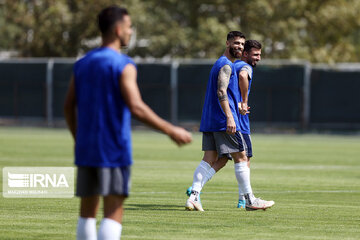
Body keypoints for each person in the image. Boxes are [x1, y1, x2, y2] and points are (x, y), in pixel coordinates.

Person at [64, 6, 192, 240]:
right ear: (117, 29)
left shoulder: (82, 63)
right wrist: (170, 130)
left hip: (87, 147)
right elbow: (136, 106)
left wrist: (78, 138)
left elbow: (68, 106)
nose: (131, 31)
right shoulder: (123, 64)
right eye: (129, 26)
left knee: (87, 212)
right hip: (112, 148)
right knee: (113, 211)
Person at [185, 35, 274, 211]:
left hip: (210, 119)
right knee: (241, 158)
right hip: (222, 120)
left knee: (209, 159)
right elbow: (221, 91)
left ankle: (194, 196)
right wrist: (230, 116)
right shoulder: (226, 64)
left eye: (242, 44)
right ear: (227, 43)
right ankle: (249, 200)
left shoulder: (224, 63)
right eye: (236, 43)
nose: (239, 47)